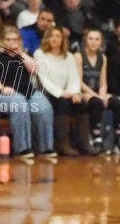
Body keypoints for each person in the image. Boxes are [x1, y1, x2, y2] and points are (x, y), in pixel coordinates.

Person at [0, 26, 55, 159]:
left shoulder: (23, 55)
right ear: (2, 40)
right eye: (8, 40)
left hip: (27, 92)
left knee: (44, 107)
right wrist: (2, 88)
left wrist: (21, 54)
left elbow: (34, 70)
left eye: (15, 40)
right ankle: (22, 148)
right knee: (19, 104)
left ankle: (45, 148)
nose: (12, 43)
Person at [34, 27, 93, 156]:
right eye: (51, 36)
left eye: (58, 36)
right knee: (63, 103)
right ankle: (63, 144)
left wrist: (74, 92)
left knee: (81, 103)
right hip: (48, 93)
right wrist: (61, 93)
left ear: (63, 39)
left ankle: (84, 143)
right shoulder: (40, 54)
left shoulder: (69, 56)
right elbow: (43, 78)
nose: (54, 39)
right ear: (46, 38)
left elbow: (74, 77)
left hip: (67, 93)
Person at [74, 29, 120, 153]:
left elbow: (103, 82)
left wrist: (103, 96)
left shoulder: (102, 57)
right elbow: (79, 81)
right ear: (85, 41)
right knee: (96, 102)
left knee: (117, 103)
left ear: (101, 42)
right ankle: (96, 136)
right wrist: (96, 96)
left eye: (97, 39)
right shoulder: (78, 56)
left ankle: (119, 137)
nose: (93, 42)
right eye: (91, 39)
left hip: (97, 91)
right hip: (83, 91)